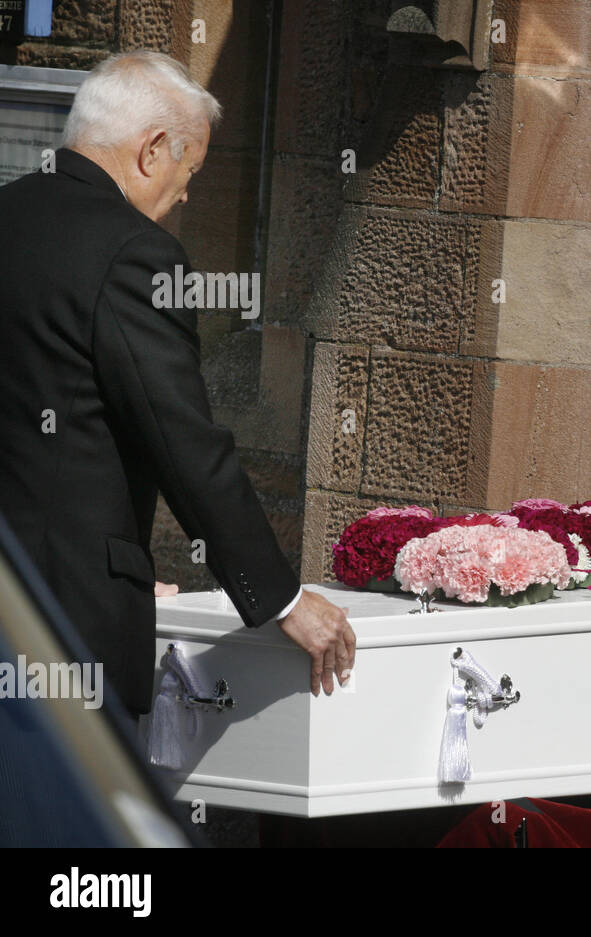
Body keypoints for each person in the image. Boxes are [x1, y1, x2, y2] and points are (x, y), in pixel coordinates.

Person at [0, 51, 355, 717]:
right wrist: (280, 597)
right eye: (189, 170)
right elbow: (186, 444)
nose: (187, 193)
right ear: (152, 149)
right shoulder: (136, 254)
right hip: (63, 637)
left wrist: (124, 574)